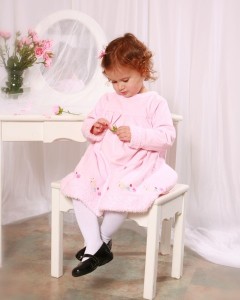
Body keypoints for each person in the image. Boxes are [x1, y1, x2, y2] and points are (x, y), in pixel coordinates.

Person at [60, 33, 178, 277]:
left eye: (125, 79)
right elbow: (88, 124)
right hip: (103, 161)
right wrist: (95, 127)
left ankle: (99, 243)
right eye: (114, 82)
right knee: (79, 189)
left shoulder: (154, 102)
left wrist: (136, 134)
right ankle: (97, 245)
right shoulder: (106, 100)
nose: (120, 87)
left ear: (143, 70)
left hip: (136, 164)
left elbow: (167, 136)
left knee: (119, 195)